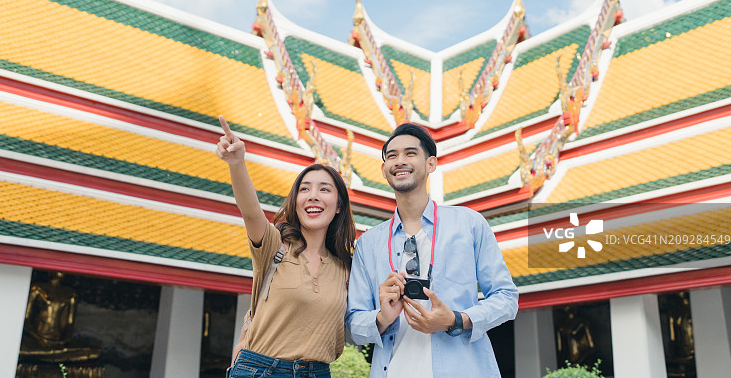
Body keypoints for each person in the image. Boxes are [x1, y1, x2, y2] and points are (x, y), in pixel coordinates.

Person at [346, 123, 518, 377]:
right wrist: (382, 317)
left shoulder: (469, 224)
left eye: (410, 153)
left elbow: (506, 298)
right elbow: (353, 324)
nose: (400, 161)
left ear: (431, 164)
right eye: (391, 156)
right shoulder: (367, 243)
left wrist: (456, 320)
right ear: (384, 170)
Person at [216, 116, 356, 378]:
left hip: (317, 371)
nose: (313, 195)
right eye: (305, 189)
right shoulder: (274, 246)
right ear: (297, 201)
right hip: (261, 370)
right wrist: (237, 164)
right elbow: (251, 212)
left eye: (324, 189)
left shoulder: (346, 267)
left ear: (338, 207)